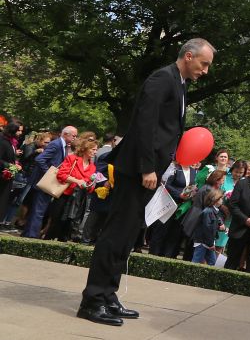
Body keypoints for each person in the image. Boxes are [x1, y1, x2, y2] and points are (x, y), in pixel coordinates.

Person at [78, 38, 215, 327]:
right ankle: (92, 301)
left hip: (149, 173)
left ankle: (108, 296)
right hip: (137, 171)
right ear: (188, 56)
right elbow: (144, 124)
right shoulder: (162, 78)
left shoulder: (179, 84)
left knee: (128, 237)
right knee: (116, 235)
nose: (205, 71)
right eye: (204, 64)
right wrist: (147, 168)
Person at [24, 125, 78, 238]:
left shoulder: (61, 145)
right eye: (74, 135)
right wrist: (50, 173)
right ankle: (32, 237)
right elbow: (40, 159)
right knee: (39, 211)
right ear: (65, 134)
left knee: (36, 210)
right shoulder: (57, 144)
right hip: (44, 183)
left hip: (44, 182)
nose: (75, 138)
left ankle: (28, 234)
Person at [46, 135, 99, 242]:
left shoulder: (92, 166)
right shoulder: (72, 159)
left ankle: (62, 245)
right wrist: (77, 181)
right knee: (56, 221)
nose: (95, 152)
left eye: (96, 150)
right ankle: (48, 242)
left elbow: (89, 186)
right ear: (85, 149)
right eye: (93, 149)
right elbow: (61, 174)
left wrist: (91, 185)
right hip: (65, 194)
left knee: (69, 225)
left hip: (78, 199)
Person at [148, 160, 196, 257]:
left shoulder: (193, 171)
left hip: (182, 207)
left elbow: (192, 186)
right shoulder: (175, 168)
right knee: (160, 231)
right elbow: (166, 184)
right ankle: (153, 255)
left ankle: (167, 257)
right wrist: (179, 194)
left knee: (174, 233)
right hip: (168, 202)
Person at [192, 189, 227, 265]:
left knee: (212, 262)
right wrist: (211, 244)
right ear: (215, 200)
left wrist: (220, 227)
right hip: (203, 242)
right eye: (220, 198)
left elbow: (212, 225)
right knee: (196, 261)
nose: (222, 200)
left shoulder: (213, 211)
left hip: (207, 242)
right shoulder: (208, 211)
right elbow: (207, 229)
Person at [0, 122, 18, 228]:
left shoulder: (10, 142)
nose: (19, 133)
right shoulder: (2, 141)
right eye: (18, 131)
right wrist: (9, 165)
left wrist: (15, 165)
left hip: (6, 177)